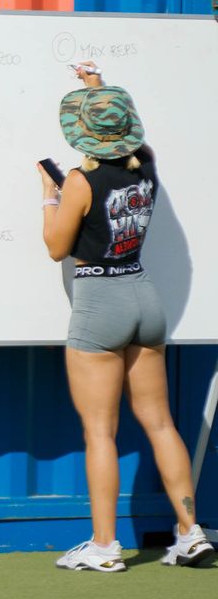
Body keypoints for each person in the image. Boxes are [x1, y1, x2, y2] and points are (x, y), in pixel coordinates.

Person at [39, 62, 212, 571]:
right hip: (144, 295)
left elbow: (56, 248)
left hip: (99, 302)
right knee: (160, 423)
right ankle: (191, 532)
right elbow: (128, 136)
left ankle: (105, 546)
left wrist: (48, 196)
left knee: (100, 431)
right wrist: (97, 87)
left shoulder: (78, 179)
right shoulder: (147, 164)